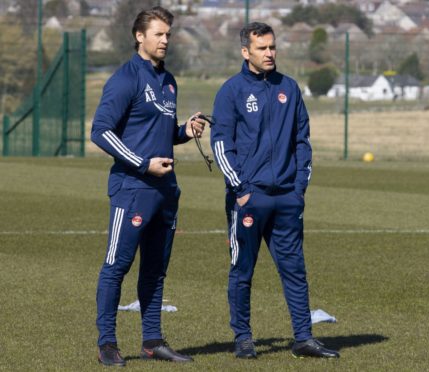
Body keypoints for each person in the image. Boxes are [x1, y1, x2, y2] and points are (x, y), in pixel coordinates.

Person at [210, 22, 339, 359]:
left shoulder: (289, 88)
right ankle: (243, 338)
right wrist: (240, 189)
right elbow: (221, 144)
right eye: (262, 48)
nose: (269, 53)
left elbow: (303, 142)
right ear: (245, 52)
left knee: (295, 269)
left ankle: (304, 338)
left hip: (286, 199)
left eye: (272, 47)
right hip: (250, 197)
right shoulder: (231, 91)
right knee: (242, 270)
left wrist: (298, 190)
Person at [91, 6, 206, 366]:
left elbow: (160, 134)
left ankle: (152, 341)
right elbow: (101, 131)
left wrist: (184, 132)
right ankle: (108, 344)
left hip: (165, 192)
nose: (165, 40)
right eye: (158, 34)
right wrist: (142, 164)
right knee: (116, 266)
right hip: (131, 188)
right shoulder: (125, 78)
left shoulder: (169, 81)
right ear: (140, 36)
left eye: (168, 34)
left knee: (155, 270)